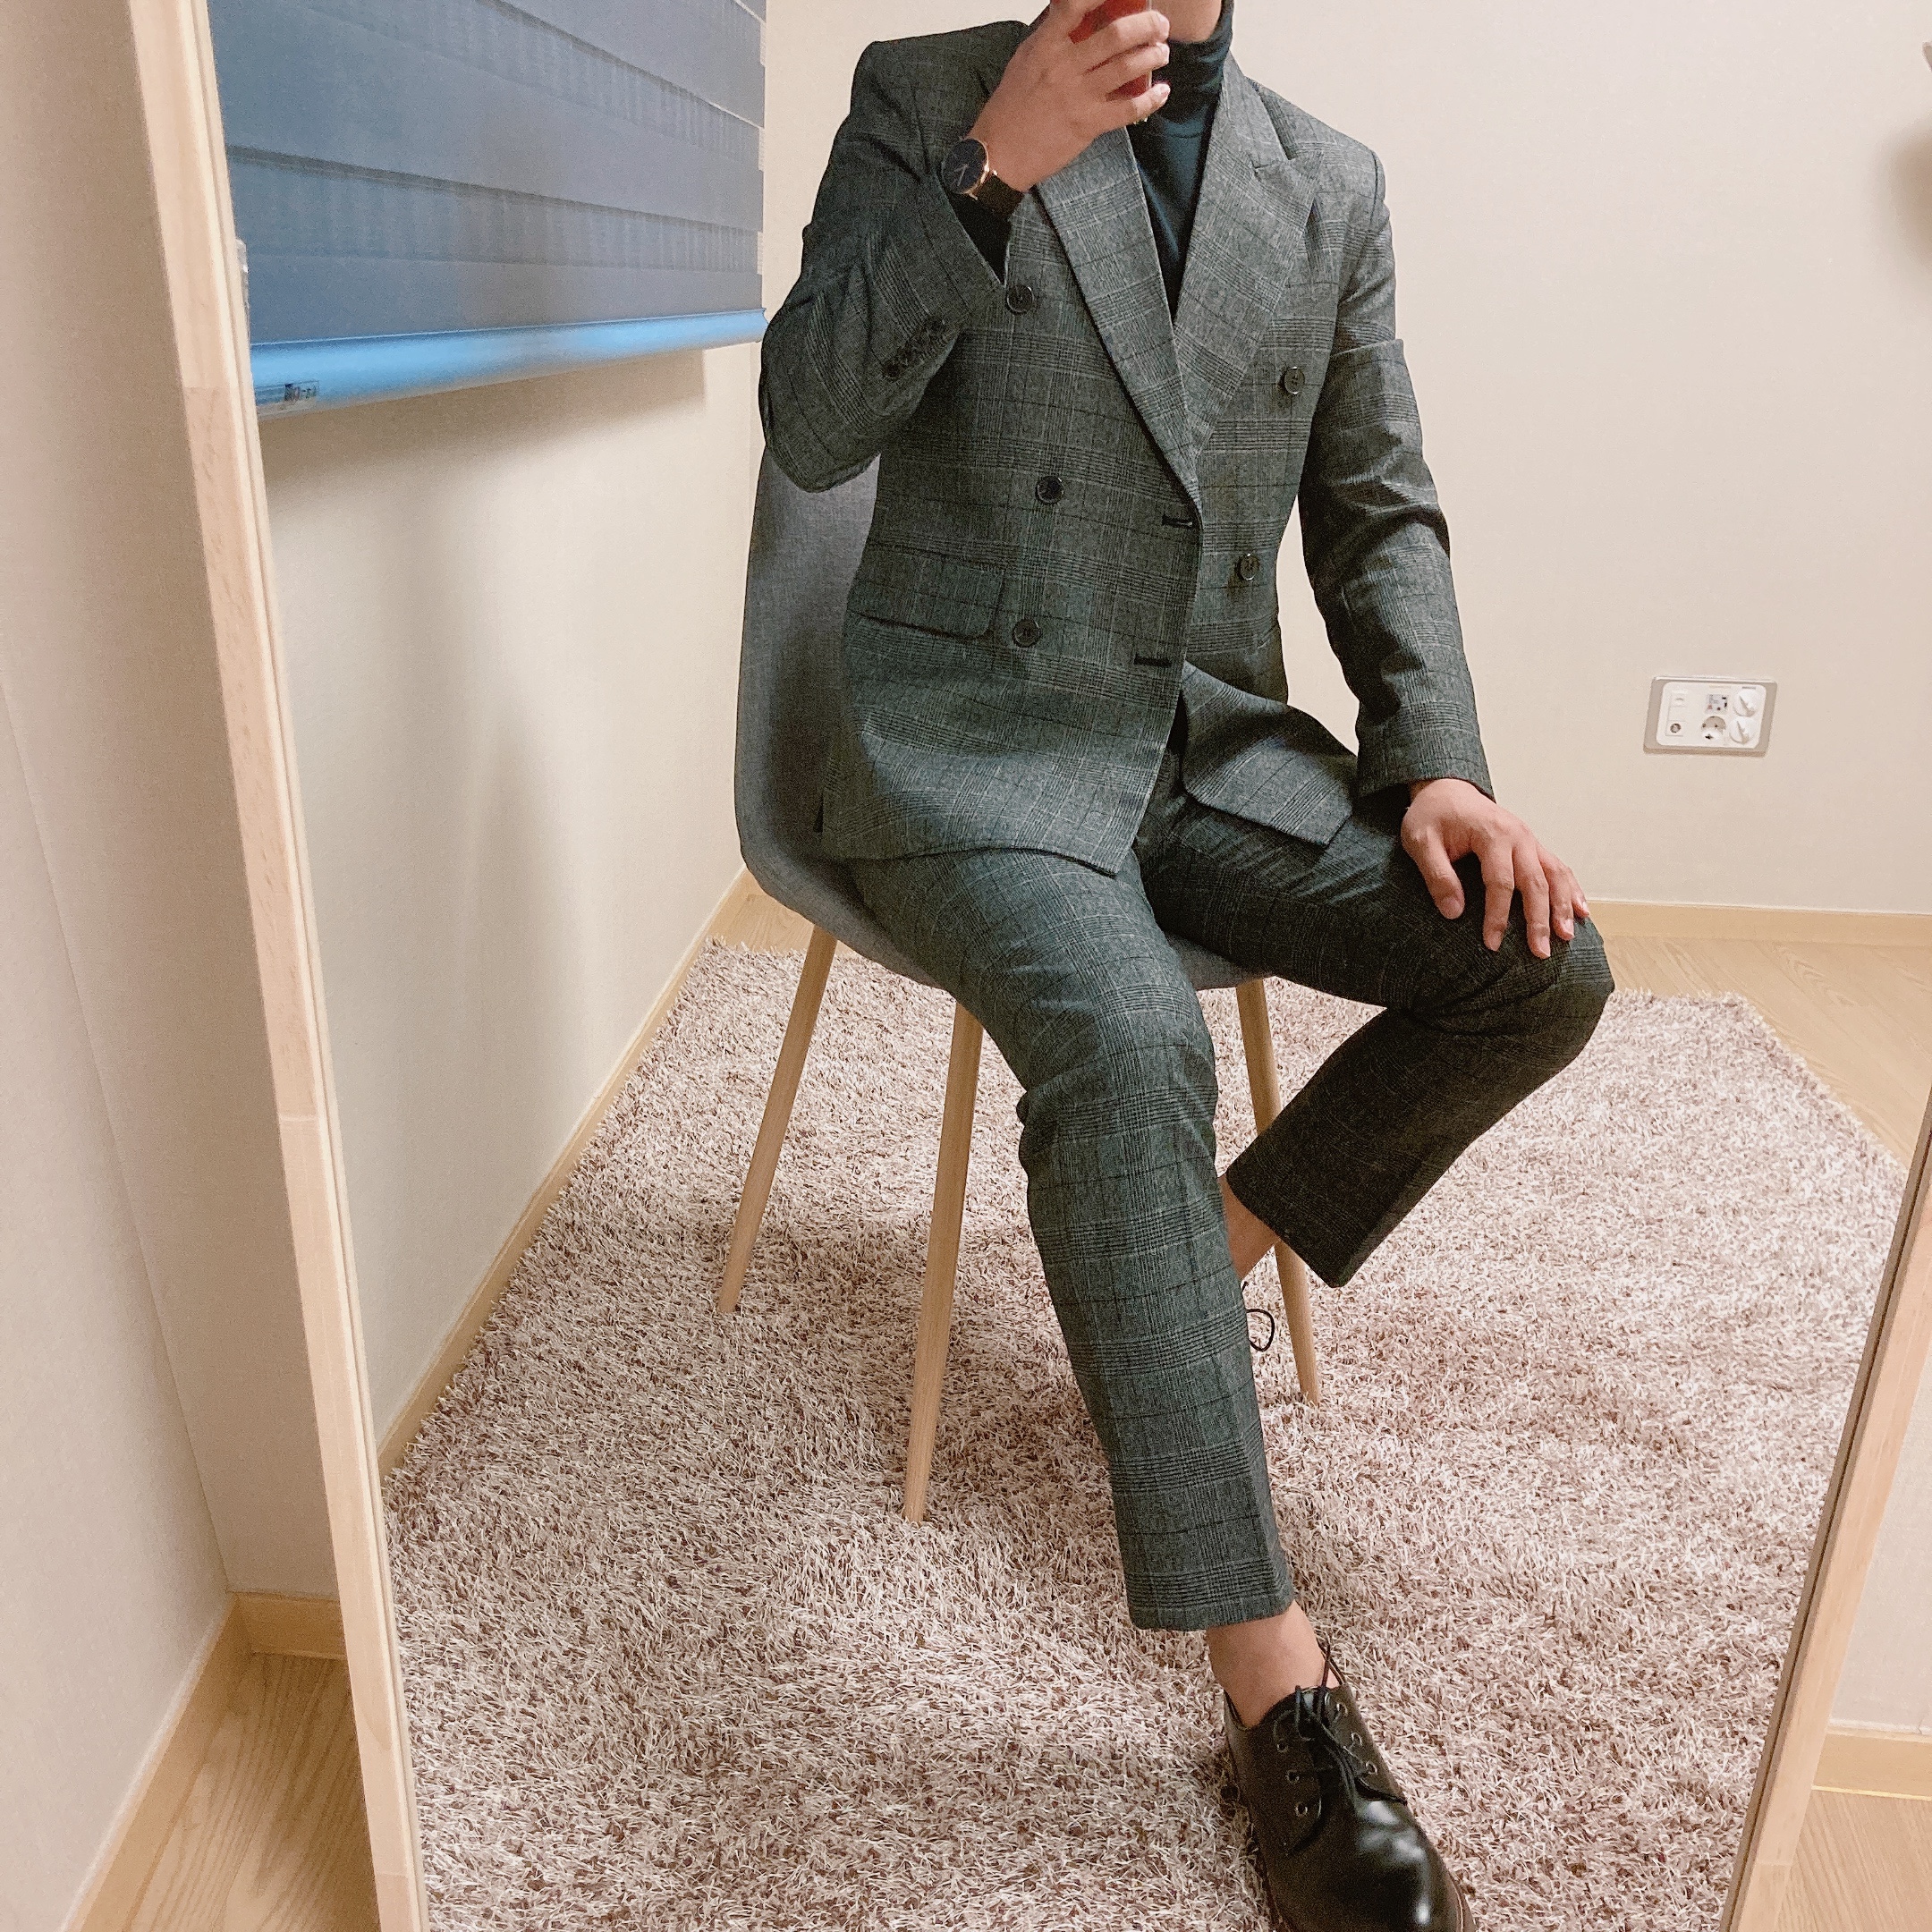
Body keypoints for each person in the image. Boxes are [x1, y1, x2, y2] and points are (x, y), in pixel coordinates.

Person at [760, 4, 1612, 1925]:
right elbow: (810, 422)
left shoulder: (1328, 186)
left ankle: (1175, 1266)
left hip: (1207, 744)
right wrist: (994, 163)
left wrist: (1441, 765)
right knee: (1134, 1040)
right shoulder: (925, 93)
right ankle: (1278, 1694)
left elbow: (1375, 508)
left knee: (1539, 966)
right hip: (970, 740)